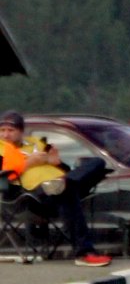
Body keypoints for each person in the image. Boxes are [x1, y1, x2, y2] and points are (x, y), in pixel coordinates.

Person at [0, 110, 111, 267]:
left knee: (97, 163)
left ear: (21, 131)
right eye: (2, 130)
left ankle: (66, 183)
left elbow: (62, 168)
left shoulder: (36, 143)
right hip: (33, 196)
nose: (6, 135)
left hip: (58, 184)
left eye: (11, 130)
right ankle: (84, 253)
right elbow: (3, 174)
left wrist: (57, 162)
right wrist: (28, 163)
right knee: (66, 192)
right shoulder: (1, 149)